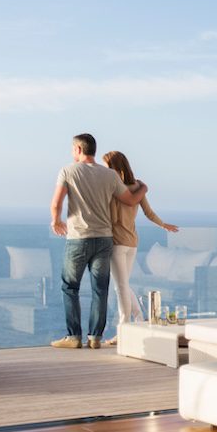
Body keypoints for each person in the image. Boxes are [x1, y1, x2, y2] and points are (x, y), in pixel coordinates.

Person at [50, 133, 147, 350]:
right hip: (104, 239)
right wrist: (143, 188)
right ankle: (95, 337)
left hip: (78, 238)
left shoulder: (68, 171)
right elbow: (130, 199)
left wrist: (55, 221)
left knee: (70, 287)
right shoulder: (110, 175)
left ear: (77, 149)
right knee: (100, 289)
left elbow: (56, 202)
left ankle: (74, 337)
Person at [102, 150, 178, 344]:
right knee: (124, 284)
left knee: (120, 287)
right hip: (132, 243)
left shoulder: (112, 188)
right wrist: (163, 225)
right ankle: (139, 319)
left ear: (113, 167)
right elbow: (149, 212)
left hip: (117, 243)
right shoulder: (137, 187)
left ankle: (124, 330)